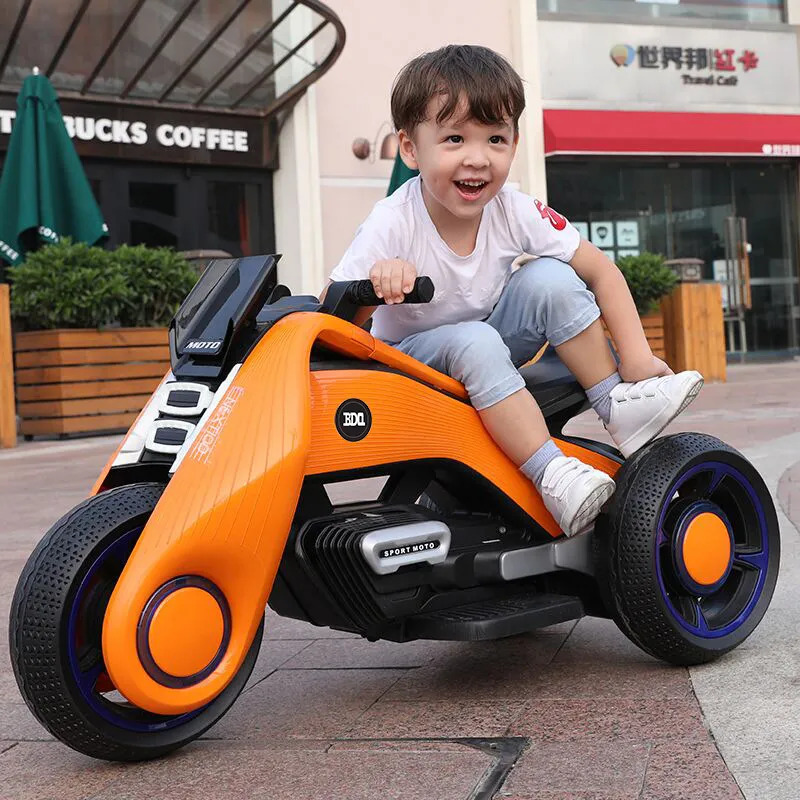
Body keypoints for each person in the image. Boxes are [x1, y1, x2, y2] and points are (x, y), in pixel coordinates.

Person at [322, 44, 703, 537]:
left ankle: (615, 403)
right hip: (413, 369)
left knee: (550, 277)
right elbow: (331, 325)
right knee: (473, 339)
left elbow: (600, 270)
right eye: (454, 138)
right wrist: (373, 288)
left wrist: (636, 359)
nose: (478, 159)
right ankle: (552, 474)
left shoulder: (514, 208)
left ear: (514, 144)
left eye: (496, 139)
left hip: (488, 345)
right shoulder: (392, 221)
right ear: (411, 149)